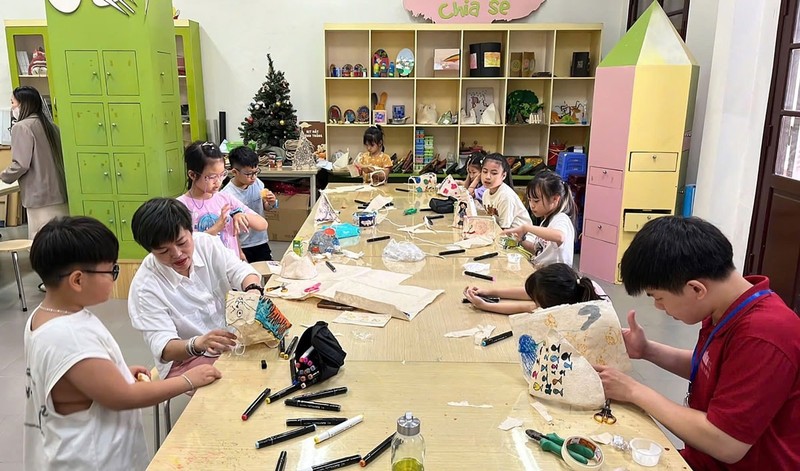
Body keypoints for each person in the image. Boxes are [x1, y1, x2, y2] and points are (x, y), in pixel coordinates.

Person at [595, 216, 800, 470]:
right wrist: (648, 350)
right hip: (703, 457)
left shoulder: (764, 333)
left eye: (659, 297)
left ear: (696, 289)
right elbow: (712, 365)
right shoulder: (727, 306)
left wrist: (634, 391)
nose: (659, 308)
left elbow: (727, 443)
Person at [24, 216, 221, 471]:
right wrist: (188, 380)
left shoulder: (44, 317)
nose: (114, 278)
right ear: (77, 280)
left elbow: (69, 380)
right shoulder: (68, 335)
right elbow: (123, 396)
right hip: (92, 460)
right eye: (112, 271)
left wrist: (115, 375)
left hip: (72, 445)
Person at [127, 198, 265, 382]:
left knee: (268, 361)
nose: (177, 254)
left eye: (182, 242)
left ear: (190, 231)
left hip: (228, 339)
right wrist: (198, 343)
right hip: (184, 358)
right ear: (150, 251)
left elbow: (240, 271)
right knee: (237, 383)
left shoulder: (206, 244)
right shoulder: (145, 288)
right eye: (163, 251)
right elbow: (165, 348)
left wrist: (253, 290)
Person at [176, 141, 267, 259]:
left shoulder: (225, 198)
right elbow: (181, 247)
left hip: (231, 268)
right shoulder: (180, 206)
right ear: (192, 175)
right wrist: (214, 230)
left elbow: (262, 224)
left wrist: (239, 214)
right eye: (212, 177)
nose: (218, 182)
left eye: (222, 175)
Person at [1, 86, 68, 239]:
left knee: (41, 241)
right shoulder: (52, 126)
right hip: (60, 191)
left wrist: (4, 176)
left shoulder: (22, 127)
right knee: (62, 240)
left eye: (13, 103)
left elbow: (21, 164)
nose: (12, 107)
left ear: (23, 104)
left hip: (39, 196)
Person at [502, 170, 577, 267]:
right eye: (530, 200)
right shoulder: (546, 221)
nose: (532, 205)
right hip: (542, 272)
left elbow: (560, 236)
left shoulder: (561, 219)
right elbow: (538, 249)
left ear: (555, 199)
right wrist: (520, 240)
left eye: (536, 201)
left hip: (555, 278)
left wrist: (526, 228)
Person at [464, 263, 604, 315]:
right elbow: (529, 295)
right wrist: (489, 291)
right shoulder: (575, 286)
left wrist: (485, 305)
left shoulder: (570, 312)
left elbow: (524, 308)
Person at [221, 146, 276, 262]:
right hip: (242, 244)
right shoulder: (227, 194)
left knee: (269, 271)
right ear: (235, 172)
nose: (254, 177)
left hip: (261, 240)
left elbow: (265, 207)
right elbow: (228, 228)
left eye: (256, 172)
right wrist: (239, 251)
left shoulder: (257, 183)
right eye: (249, 174)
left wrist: (271, 203)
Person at [479, 153, 531, 229]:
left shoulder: (505, 196)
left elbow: (505, 230)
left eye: (494, 173)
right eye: (485, 171)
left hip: (522, 238)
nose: (487, 177)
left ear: (503, 175)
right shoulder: (486, 193)